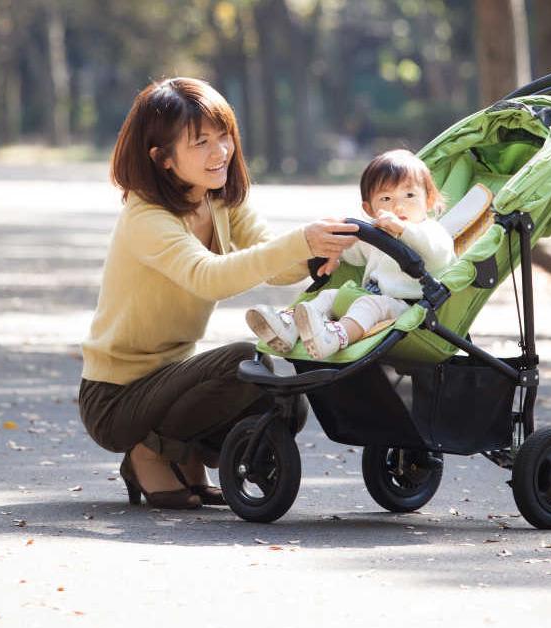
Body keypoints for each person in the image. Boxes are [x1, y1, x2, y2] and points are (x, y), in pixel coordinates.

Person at [78, 77, 358, 510]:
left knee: (284, 398)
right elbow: (208, 276)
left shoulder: (219, 199)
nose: (220, 150)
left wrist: (318, 252)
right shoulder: (145, 217)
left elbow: (273, 260)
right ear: (163, 158)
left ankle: (184, 455)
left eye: (223, 134)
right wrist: (301, 241)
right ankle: (147, 453)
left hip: (173, 380)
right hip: (117, 396)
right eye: (201, 142)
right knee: (239, 360)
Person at [246, 149, 455, 360]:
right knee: (329, 295)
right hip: (370, 298)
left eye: (410, 195)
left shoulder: (431, 230)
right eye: (386, 198)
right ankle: (289, 328)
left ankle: (336, 337)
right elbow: (354, 250)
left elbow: (439, 255)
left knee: (369, 305)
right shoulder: (379, 233)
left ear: (428, 200)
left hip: (409, 309)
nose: (398, 205)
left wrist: (404, 230)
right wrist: (334, 251)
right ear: (370, 209)